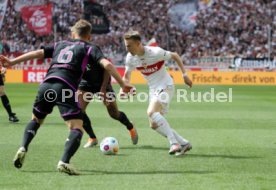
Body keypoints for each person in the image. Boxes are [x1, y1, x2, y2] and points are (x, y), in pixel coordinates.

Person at [0, 19, 131, 175]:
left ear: (72, 33)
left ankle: (23, 146)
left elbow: (37, 53)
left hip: (46, 85)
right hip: (65, 87)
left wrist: (12, 62)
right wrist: (123, 84)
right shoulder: (89, 47)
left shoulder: (60, 44)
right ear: (89, 36)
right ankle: (64, 161)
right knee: (76, 127)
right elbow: (108, 65)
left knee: (35, 120)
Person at [122, 30, 193, 156]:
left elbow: (175, 55)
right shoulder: (130, 58)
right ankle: (183, 143)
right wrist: (124, 88)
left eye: (129, 45)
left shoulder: (155, 52)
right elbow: (126, 77)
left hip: (166, 85)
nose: (127, 48)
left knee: (151, 112)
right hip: (153, 89)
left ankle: (173, 143)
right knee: (154, 125)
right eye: (126, 45)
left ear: (138, 43)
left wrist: (184, 75)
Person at [78, 61, 138, 148]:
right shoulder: (72, 53)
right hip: (85, 83)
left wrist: (102, 89)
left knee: (114, 114)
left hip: (102, 82)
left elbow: (107, 68)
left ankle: (131, 127)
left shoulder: (92, 50)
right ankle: (92, 138)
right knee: (79, 110)